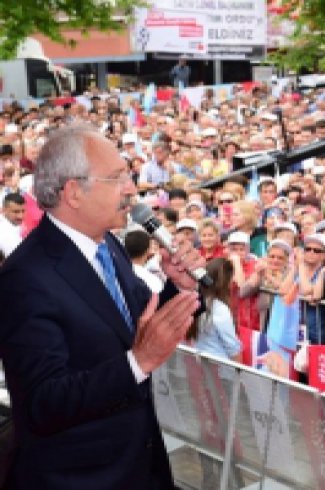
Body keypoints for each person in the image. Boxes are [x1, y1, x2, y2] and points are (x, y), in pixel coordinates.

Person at [0, 124, 203, 489]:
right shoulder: (24, 278)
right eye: (117, 178)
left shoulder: (108, 244)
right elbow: (42, 404)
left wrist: (179, 288)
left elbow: (142, 323)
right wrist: (137, 363)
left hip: (137, 468)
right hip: (77, 479)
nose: (131, 190)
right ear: (74, 192)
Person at [188, 258, 242, 362]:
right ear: (226, 281)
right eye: (231, 278)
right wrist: (240, 373)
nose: (233, 282)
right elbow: (232, 348)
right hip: (218, 368)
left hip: (198, 363)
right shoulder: (220, 309)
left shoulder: (194, 299)